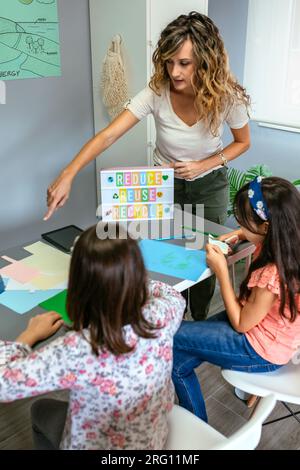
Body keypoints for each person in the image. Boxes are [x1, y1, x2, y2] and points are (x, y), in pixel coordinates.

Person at [44, 12, 251, 320]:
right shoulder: (157, 92)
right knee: (163, 257)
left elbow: (242, 142)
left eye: (184, 63)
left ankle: (198, 320)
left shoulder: (227, 97)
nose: (174, 72)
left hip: (210, 184)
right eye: (169, 62)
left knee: (205, 256)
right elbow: (109, 134)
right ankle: (170, 321)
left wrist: (202, 165)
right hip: (163, 185)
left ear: (206, 61)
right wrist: (68, 173)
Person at [0, 224, 185, 450]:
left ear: (80, 284)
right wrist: (123, 275)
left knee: (39, 409)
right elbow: (172, 294)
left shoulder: (80, 349)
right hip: (152, 439)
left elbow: (4, 384)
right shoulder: (163, 314)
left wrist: (28, 336)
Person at [172, 176, 300, 421]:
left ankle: (195, 423)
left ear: (265, 227)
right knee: (178, 360)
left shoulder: (272, 274)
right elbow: (251, 231)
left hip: (258, 349)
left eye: (243, 221)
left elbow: (242, 323)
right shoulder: (286, 241)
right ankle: (196, 424)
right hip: (271, 334)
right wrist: (239, 234)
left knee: (169, 332)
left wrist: (221, 271)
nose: (239, 224)